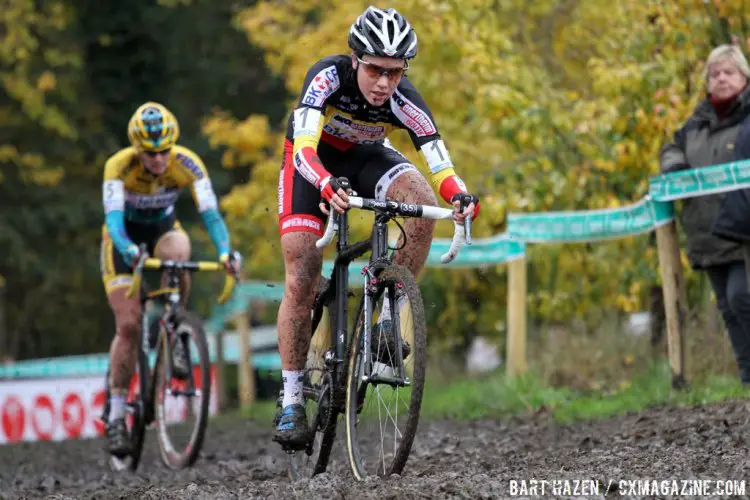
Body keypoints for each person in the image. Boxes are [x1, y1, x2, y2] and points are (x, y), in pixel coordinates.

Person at [273, 6, 480, 449]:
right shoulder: (326, 77)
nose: (384, 83)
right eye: (375, 70)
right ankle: (291, 398)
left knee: (421, 202)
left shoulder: (405, 99)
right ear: (355, 59)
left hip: (368, 156)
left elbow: (440, 162)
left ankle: (385, 320)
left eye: (395, 72)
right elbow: (305, 146)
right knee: (303, 269)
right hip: (311, 163)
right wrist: (326, 183)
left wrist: (460, 197)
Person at [101, 102, 242, 457]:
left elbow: (211, 214)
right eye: (151, 154)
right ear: (138, 149)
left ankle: (174, 325)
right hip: (122, 241)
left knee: (180, 252)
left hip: (164, 231)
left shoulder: (188, 163)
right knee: (129, 326)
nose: (160, 160)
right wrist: (129, 249)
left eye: (165, 151)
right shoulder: (118, 166)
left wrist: (226, 251)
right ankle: (116, 415)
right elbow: (115, 222)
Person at [660, 44, 750, 384]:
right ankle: (746, 379)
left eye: (729, 72)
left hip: (743, 229)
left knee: (742, 297)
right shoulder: (695, 125)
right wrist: (675, 165)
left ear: (744, 77)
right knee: (727, 308)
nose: (722, 78)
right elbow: (671, 147)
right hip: (707, 233)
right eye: (715, 74)